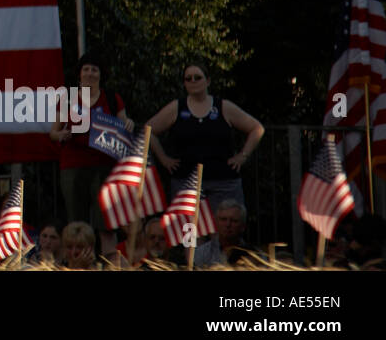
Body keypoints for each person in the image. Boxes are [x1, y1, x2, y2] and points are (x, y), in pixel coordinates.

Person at [146, 61, 264, 211]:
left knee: (225, 230)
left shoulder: (223, 107)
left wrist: (243, 155)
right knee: (188, 232)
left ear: (208, 81)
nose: (193, 81)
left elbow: (256, 128)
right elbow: (148, 130)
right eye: (188, 78)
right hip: (186, 183)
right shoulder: (176, 107)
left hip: (223, 183)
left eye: (197, 77)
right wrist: (163, 158)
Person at [48, 53, 133, 235]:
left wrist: (129, 124)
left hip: (105, 166)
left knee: (106, 223)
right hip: (73, 166)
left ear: (101, 75)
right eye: (86, 69)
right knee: (76, 222)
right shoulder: (67, 99)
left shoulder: (112, 98)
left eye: (95, 69)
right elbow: (53, 132)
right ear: (79, 74)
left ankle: (106, 259)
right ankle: (79, 261)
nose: (90, 73)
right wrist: (61, 134)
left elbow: (124, 127)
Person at [193, 199, 254, 267]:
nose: (228, 224)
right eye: (223, 219)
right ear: (215, 222)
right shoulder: (201, 254)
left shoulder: (254, 255)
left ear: (243, 226)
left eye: (234, 221)